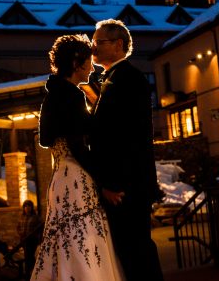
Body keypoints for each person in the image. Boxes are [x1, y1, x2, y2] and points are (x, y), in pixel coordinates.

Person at [31, 34, 125, 281]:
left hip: (60, 178)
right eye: (88, 63)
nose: (92, 68)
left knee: (65, 239)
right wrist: (105, 184)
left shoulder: (51, 97)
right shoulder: (71, 96)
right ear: (76, 64)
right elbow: (78, 148)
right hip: (76, 179)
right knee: (85, 236)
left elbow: (45, 139)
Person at [90, 19, 164, 281]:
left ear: (118, 44)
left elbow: (126, 135)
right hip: (127, 183)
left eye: (99, 42)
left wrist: (111, 183)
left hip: (126, 186)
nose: (93, 48)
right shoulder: (114, 78)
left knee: (135, 252)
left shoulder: (128, 79)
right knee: (131, 251)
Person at [16, 200, 42, 279]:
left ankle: (29, 273)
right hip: (24, 240)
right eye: (25, 206)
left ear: (31, 207)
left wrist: (37, 237)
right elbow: (18, 227)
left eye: (29, 206)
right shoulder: (21, 217)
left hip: (32, 240)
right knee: (28, 256)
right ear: (24, 208)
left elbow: (40, 229)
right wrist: (20, 233)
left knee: (29, 256)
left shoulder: (35, 217)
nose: (27, 208)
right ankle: (32, 271)